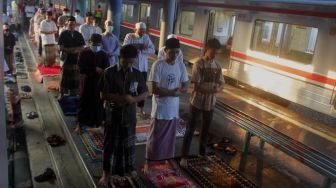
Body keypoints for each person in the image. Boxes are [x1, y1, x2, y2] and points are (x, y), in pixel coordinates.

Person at [98, 45, 148, 187]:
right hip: (112, 115)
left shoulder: (137, 74)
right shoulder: (109, 72)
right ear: (119, 58)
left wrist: (133, 100)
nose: (128, 65)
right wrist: (121, 98)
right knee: (110, 145)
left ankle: (129, 168)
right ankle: (106, 173)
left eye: (131, 62)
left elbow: (145, 93)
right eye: (125, 62)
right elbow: (103, 94)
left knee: (128, 144)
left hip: (129, 116)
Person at [144, 38, 189, 173]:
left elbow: (185, 85)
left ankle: (168, 157)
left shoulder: (180, 65)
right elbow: (154, 89)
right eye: (171, 52)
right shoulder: (158, 65)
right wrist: (172, 92)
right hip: (160, 108)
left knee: (170, 137)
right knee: (155, 136)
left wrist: (179, 91)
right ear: (165, 51)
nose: (174, 55)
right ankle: (148, 160)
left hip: (173, 109)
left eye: (177, 52)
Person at [180, 38, 225, 167]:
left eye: (216, 52)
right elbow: (197, 86)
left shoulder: (217, 66)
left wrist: (218, 89)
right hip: (197, 102)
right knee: (190, 129)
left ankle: (202, 153)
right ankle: (184, 156)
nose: (214, 54)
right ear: (207, 49)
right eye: (213, 51)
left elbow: (222, 84)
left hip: (210, 103)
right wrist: (214, 90)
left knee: (206, 129)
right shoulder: (198, 64)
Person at [75, 33, 109, 133]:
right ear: (90, 43)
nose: (96, 46)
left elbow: (107, 69)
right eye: (94, 44)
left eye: (98, 44)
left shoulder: (103, 54)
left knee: (98, 103)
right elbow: (80, 68)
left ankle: (97, 123)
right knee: (84, 101)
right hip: (86, 82)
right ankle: (80, 123)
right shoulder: (84, 53)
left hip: (99, 82)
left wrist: (103, 72)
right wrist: (94, 69)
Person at [123, 22, 155, 116]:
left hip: (143, 69)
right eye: (140, 31)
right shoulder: (129, 36)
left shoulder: (146, 37)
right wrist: (138, 46)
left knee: (142, 89)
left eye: (144, 31)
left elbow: (152, 50)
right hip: (131, 67)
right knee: (130, 87)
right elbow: (125, 47)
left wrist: (142, 49)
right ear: (135, 29)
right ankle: (129, 106)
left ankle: (141, 110)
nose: (142, 33)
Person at [57, 16, 85, 100]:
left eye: (73, 24)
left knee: (75, 78)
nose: (71, 26)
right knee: (64, 77)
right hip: (66, 59)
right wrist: (72, 50)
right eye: (70, 24)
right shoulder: (63, 34)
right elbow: (61, 47)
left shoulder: (78, 34)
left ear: (75, 24)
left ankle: (74, 94)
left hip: (76, 59)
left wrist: (75, 51)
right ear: (67, 24)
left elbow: (82, 47)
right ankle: (61, 94)